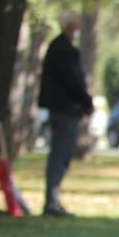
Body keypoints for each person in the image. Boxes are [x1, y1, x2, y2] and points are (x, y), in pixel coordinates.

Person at [37, 15, 95, 217]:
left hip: (62, 108)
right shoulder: (64, 51)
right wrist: (86, 101)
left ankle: (53, 200)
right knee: (60, 156)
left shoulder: (58, 48)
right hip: (65, 109)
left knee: (61, 155)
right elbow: (74, 80)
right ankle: (52, 202)